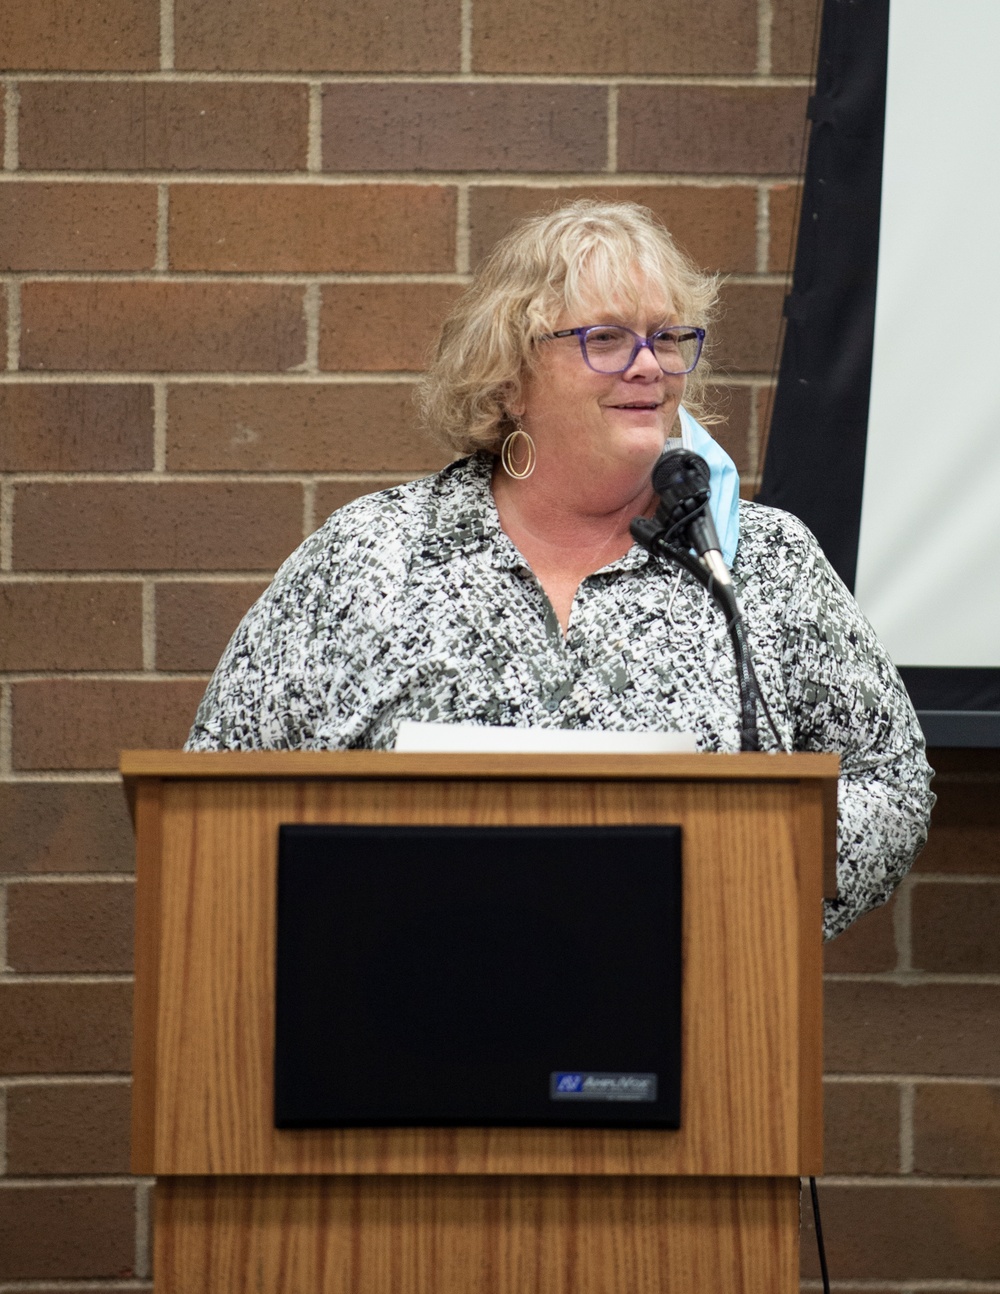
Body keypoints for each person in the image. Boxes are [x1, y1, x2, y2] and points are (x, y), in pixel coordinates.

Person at [186, 200, 934, 939]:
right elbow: (218, 781)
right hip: (399, 1000)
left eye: (667, 337)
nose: (650, 366)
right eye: (607, 338)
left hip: (700, 1002)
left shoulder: (762, 563)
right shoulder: (372, 554)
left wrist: (756, 872)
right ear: (508, 375)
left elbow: (889, 780)